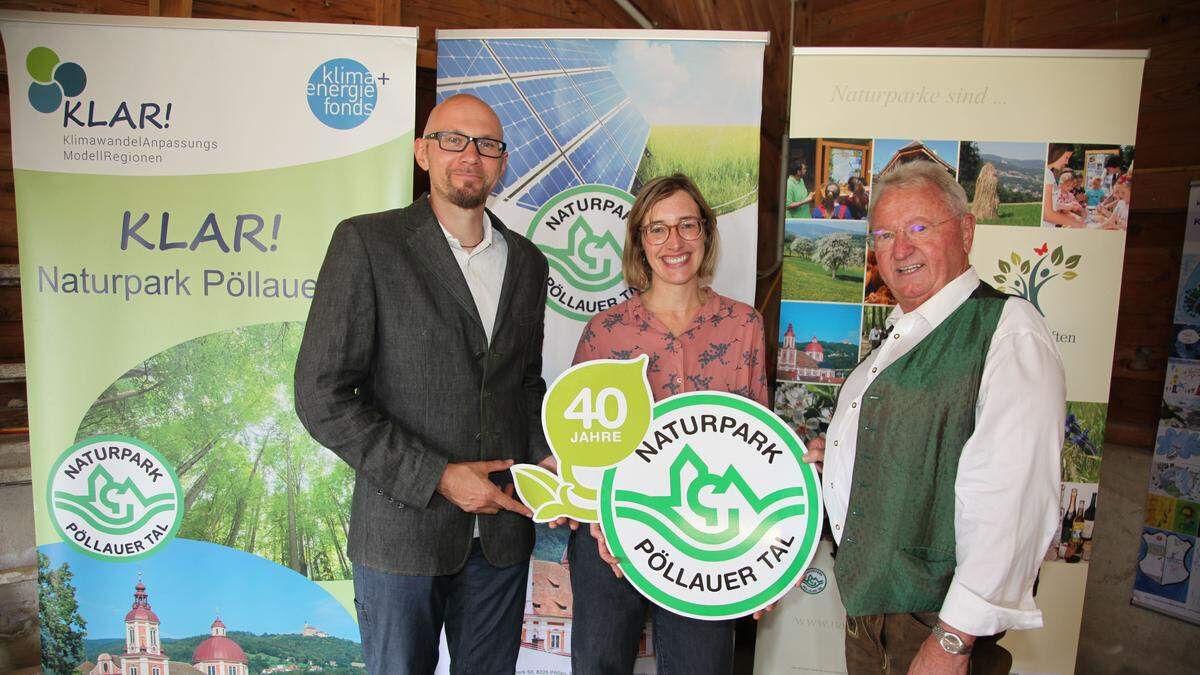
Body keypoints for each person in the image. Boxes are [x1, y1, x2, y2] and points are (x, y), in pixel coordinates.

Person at [294, 93, 554, 675]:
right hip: (400, 535)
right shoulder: (367, 243)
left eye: (488, 144)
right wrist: (436, 476)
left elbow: (523, 385)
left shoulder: (530, 263)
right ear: (422, 152)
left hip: (503, 534)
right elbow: (321, 395)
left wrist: (549, 454)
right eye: (453, 140)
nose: (471, 155)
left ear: (503, 162)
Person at [805, 160, 1064, 674]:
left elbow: (1014, 499)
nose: (899, 249)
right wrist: (831, 459)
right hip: (869, 615)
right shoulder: (904, 332)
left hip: (932, 626)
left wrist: (953, 640)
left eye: (918, 228)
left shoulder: (1007, 331)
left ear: (966, 231)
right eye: (883, 235)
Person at [567, 174, 768, 675]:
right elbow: (580, 443)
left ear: (706, 233)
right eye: (657, 229)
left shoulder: (744, 325)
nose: (674, 243)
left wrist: (762, 558)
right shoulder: (605, 331)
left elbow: (759, 441)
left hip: (708, 541)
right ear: (640, 241)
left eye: (687, 226)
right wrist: (592, 510)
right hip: (609, 536)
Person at [1041, 143, 1079, 228]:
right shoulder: (1047, 174)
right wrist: (1078, 224)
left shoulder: (1050, 174)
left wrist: (1067, 206)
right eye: (1066, 157)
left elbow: (1050, 204)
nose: (1067, 162)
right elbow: (1047, 214)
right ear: (1057, 153)